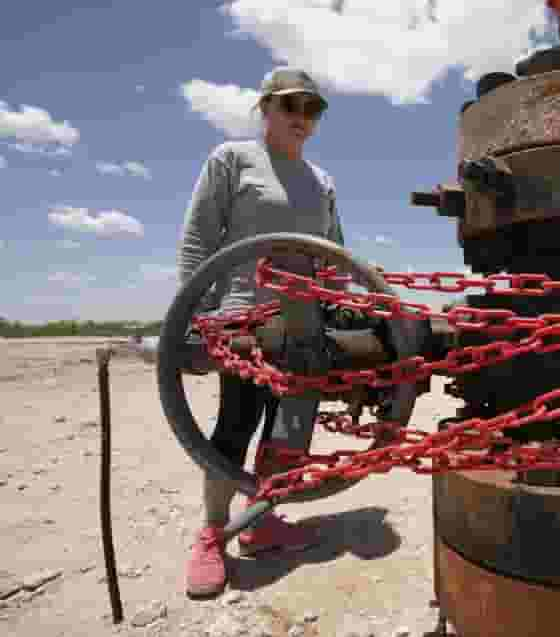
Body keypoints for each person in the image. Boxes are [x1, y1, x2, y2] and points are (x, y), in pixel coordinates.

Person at [177, 67, 345, 598]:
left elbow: (334, 257)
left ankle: (261, 520)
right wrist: (199, 314)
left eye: (312, 109)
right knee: (236, 426)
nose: (302, 118)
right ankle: (211, 534)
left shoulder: (323, 181)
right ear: (266, 107)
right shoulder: (233, 160)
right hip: (244, 319)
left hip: (306, 324)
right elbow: (198, 239)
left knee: (289, 431)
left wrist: (348, 308)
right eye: (292, 106)